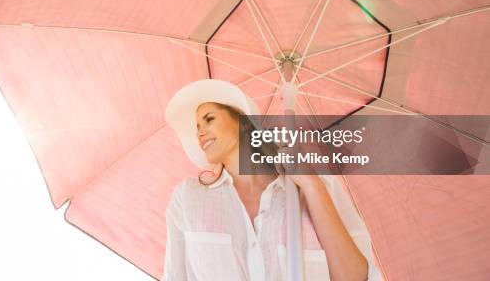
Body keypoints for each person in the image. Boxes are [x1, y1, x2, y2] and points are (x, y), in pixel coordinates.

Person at [161, 79, 383, 281]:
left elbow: (356, 277)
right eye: (197, 127)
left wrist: (311, 185)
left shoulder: (312, 184)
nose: (200, 133)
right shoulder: (188, 198)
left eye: (209, 119)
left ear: (244, 122)